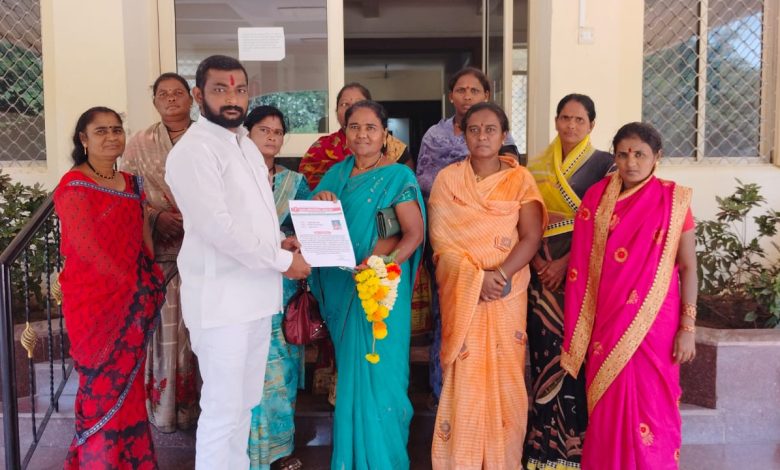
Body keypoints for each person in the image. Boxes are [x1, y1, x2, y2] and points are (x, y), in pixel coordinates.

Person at [164, 55, 311, 469]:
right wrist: (282, 261)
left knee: (244, 405)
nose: (232, 98)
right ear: (199, 95)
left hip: (256, 300)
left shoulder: (244, 145)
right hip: (222, 305)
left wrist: (281, 242)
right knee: (222, 412)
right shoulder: (193, 151)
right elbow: (218, 228)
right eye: (220, 89)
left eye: (240, 90)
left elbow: (252, 219)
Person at [561, 122, 697, 469]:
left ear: (657, 157)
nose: (631, 162)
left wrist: (688, 327)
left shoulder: (673, 201)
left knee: (654, 407)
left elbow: (688, 268)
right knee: (608, 412)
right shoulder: (596, 198)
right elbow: (581, 265)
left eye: (640, 154)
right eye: (622, 155)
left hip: (656, 326)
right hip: (607, 323)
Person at [429, 102, 546, 469]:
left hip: (506, 293)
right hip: (464, 294)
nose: (482, 136)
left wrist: (500, 275)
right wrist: (476, 279)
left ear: (503, 134)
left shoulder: (520, 179)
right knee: (465, 378)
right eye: (474, 129)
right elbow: (441, 243)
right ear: (463, 135)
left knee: (506, 380)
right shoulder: (447, 180)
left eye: (490, 129)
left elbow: (531, 236)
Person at [310, 100, 425, 469]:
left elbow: (414, 234)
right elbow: (313, 227)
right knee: (352, 377)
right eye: (354, 127)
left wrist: (383, 266)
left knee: (383, 376)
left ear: (384, 134)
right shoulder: (335, 175)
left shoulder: (398, 177)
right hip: (344, 288)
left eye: (370, 127)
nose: (362, 134)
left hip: (380, 290)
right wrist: (321, 200)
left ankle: (386, 459)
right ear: (345, 133)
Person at [54, 106, 165, 468]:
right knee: (99, 387)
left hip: (132, 302)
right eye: (100, 131)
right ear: (83, 139)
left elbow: (143, 240)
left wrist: (144, 281)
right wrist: (126, 284)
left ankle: (132, 460)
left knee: (129, 388)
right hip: (93, 303)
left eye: (116, 130)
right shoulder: (74, 185)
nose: (111, 137)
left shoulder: (132, 183)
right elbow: (85, 248)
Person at [415, 67, 520, 407]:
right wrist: (457, 186)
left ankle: (487, 401)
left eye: (475, 90)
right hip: (449, 237)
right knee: (448, 314)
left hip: (494, 249)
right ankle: (444, 392)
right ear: (451, 96)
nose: (467, 96)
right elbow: (422, 180)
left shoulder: (504, 138)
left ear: (486, 95)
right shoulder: (434, 135)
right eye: (461, 90)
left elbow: (508, 186)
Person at [523, 93, 614, 469]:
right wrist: (537, 261)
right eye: (565, 118)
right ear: (556, 120)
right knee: (543, 352)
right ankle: (542, 448)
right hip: (539, 271)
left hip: (579, 272)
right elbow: (525, 217)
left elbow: (604, 223)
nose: (571, 125)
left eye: (579, 120)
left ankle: (575, 450)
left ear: (592, 125)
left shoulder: (606, 165)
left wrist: (564, 263)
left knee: (574, 354)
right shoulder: (536, 166)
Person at [120, 72, 199, 433]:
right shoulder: (138, 143)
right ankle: (167, 410)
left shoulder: (207, 139)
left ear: (191, 99)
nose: (170, 99)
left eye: (177, 93)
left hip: (203, 250)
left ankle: (201, 408)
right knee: (166, 333)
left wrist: (193, 218)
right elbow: (129, 194)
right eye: (163, 94)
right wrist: (155, 216)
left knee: (200, 332)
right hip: (159, 254)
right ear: (154, 101)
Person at [244, 105, 310, 470]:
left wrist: (295, 241)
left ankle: (280, 452)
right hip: (244, 286)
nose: (271, 137)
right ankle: (247, 454)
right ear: (247, 134)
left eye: (277, 132)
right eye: (263, 130)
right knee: (248, 370)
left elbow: (307, 230)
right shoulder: (234, 178)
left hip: (282, 289)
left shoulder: (295, 183)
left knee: (280, 372)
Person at [298, 82, 411, 190]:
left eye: (359, 103)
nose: (352, 109)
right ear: (336, 111)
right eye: (344, 104)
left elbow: (405, 186)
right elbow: (306, 192)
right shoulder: (321, 148)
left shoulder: (395, 149)